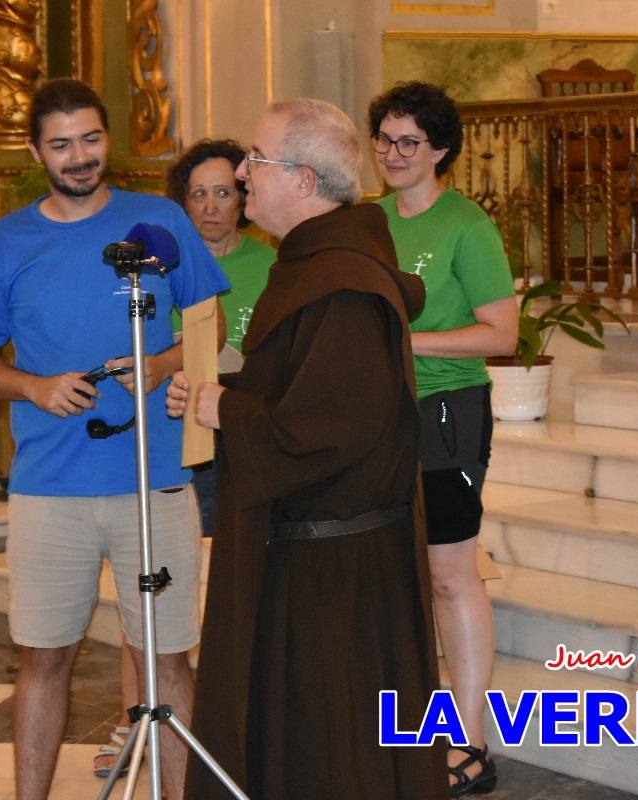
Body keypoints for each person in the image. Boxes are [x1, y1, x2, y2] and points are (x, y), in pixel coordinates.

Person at [167, 98, 447, 800]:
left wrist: (227, 408)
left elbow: (330, 428)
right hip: (311, 556)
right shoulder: (314, 266)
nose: (239, 173)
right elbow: (309, 389)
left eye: (253, 161)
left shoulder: (341, 283)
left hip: (336, 572)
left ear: (300, 178)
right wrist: (225, 391)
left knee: (329, 752)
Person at [0, 77, 229, 800]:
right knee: (45, 658)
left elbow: (211, 325)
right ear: (35, 151)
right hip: (51, 486)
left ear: (108, 139)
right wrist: (35, 387)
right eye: (61, 144)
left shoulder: (158, 220)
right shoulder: (8, 239)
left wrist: (166, 364)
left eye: (91, 139)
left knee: (169, 660)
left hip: (156, 476)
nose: (79, 157)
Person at [93, 138, 277, 780]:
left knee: (235, 580)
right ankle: (132, 718)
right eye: (196, 193)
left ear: (245, 197)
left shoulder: (271, 262)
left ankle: (230, 716)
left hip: (248, 437)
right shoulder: (155, 264)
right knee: (152, 578)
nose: (210, 205)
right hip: (176, 437)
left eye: (224, 191)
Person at [369, 81, 517, 797]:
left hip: (447, 411)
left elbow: (502, 333)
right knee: (397, 574)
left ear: (441, 152)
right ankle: (410, 730)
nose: (393, 155)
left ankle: (473, 745)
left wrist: (411, 342)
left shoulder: (467, 226)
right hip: (376, 416)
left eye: (409, 143)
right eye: (384, 140)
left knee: (450, 574)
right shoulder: (365, 221)